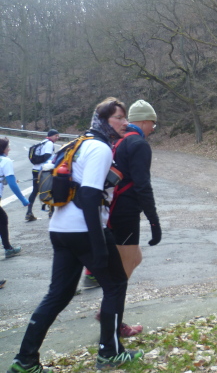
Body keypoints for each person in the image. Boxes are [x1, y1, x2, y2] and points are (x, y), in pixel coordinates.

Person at [7, 98, 145, 373]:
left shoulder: (76, 144)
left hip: (60, 229)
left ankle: (25, 361)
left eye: (125, 117)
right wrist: (99, 243)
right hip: (84, 230)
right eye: (119, 117)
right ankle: (110, 354)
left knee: (58, 294)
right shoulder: (100, 148)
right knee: (116, 284)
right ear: (104, 121)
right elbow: (90, 195)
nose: (125, 122)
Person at [106, 99, 162, 336]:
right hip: (126, 212)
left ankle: (109, 312)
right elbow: (142, 186)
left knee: (134, 258)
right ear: (144, 121)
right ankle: (112, 320)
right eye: (153, 124)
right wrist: (154, 221)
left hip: (112, 209)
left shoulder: (118, 140)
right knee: (123, 270)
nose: (153, 129)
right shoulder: (138, 144)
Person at [0, 137, 30, 259]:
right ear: (3, 149)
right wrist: (23, 200)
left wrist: (4, 179)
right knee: (2, 219)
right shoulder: (6, 161)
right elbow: (13, 184)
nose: (9, 149)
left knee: (2, 219)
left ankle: (8, 248)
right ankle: (8, 249)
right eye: (8, 147)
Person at [25, 129, 60, 222]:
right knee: (50, 189)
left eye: (58, 136)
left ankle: (29, 212)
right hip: (44, 170)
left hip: (35, 169)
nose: (57, 138)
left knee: (35, 190)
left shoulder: (43, 142)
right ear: (51, 135)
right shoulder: (49, 143)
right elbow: (47, 157)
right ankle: (51, 212)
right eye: (56, 136)